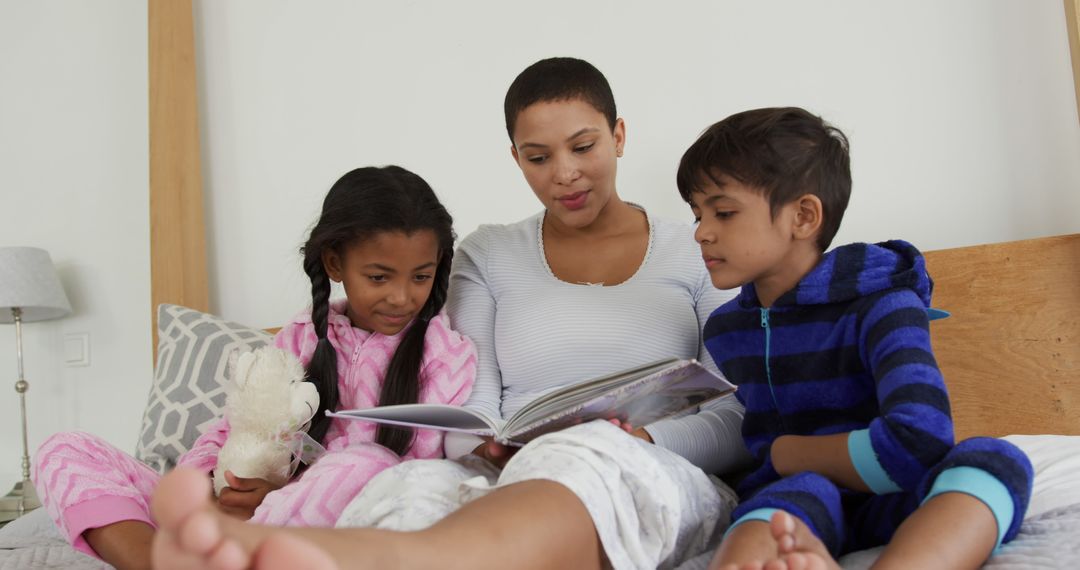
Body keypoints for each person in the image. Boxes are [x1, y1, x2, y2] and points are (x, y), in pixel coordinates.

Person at [146, 57, 753, 570]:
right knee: (409, 484)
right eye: (538, 156)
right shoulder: (489, 254)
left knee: (579, 458)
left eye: (584, 146)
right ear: (515, 158)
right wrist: (486, 445)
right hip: (512, 469)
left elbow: (733, 413)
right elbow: (474, 403)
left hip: (656, 467)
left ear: (618, 136)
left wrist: (640, 437)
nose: (564, 173)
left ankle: (372, 557)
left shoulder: (699, 248)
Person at [32, 165, 476, 569]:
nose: (402, 297)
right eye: (379, 277)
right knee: (64, 448)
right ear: (335, 263)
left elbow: (415, 473)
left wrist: (278, 498)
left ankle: (237, 550)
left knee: (369, 461)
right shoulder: (300, 337)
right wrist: (207, 485)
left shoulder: (444, 354)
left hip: (334, 527)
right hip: (224, 519)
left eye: (421, 276)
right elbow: (234, 428)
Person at [674, 107, 1034, 569]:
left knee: (995, 460)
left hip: (900, 495)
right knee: (777, 503)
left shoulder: (886, 304)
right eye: (697, 214)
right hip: (802, 500)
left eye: (723, 212)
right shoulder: (728, 331)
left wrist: (789, 453)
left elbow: (921, 441)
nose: (702, 233)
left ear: (803, 216)